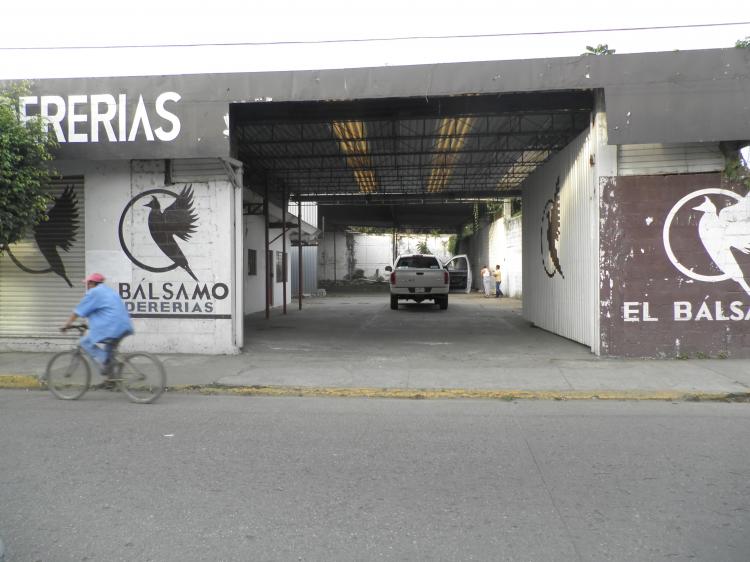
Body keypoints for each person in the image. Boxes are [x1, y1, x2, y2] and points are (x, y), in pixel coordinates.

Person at [62, 273, 134, 374]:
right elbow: (104, 311)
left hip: (111, 328)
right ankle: (111, 382)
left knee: (84, 342)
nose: (87, 286)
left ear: (91, 283)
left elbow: (79, 311)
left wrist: (67, 324)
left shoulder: (94, 292)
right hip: (124, 326)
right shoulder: (109, 291)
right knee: (109, 353)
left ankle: (106, 360)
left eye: (87, 283)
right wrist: (88, 325)